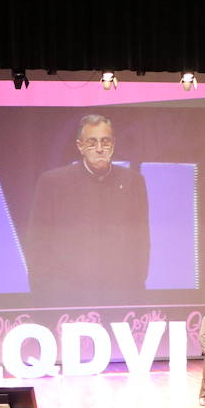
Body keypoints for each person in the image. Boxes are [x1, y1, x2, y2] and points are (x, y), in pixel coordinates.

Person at [26, 114, 150, 296]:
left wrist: (135, 285)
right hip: (66, 293)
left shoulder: (133, 181)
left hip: (119, 293)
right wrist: (48, 289)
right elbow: (37, 240)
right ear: (80, 146)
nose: (99, 149)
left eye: (105, 142)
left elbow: (141, 240)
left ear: (113, 144)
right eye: (92, 142)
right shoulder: (53, 182)